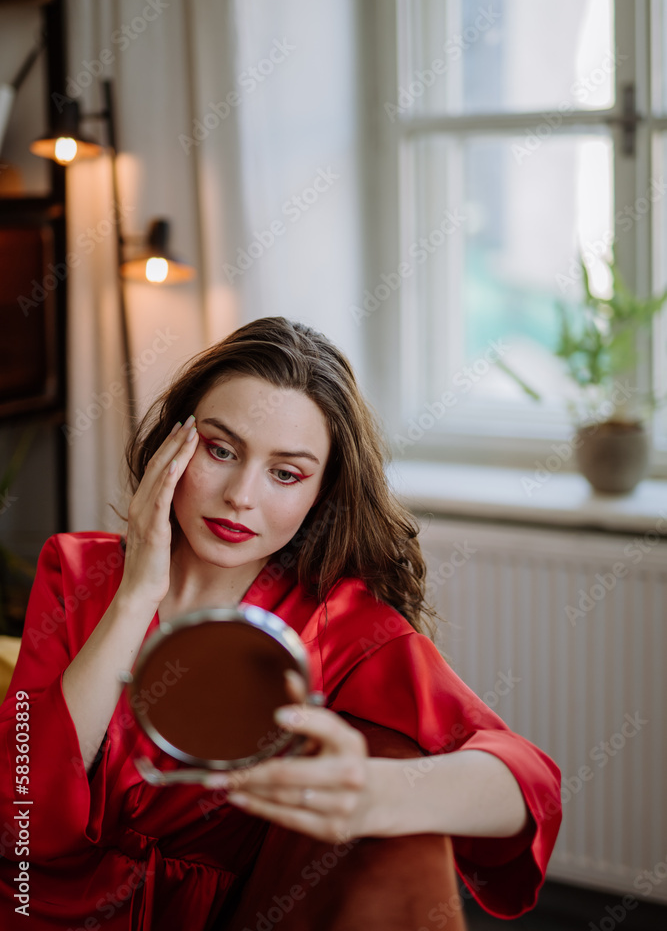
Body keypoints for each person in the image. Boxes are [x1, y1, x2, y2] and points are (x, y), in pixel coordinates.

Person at [0, 316, 562, 930]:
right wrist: (136, 595)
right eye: (220, 450)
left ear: (322, 493)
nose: (241, 495)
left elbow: (528, 784)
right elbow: (16, 803)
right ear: (172, 445)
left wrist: (372, 794)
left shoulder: (342, 625)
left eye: (286, 473)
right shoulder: (75, 567)